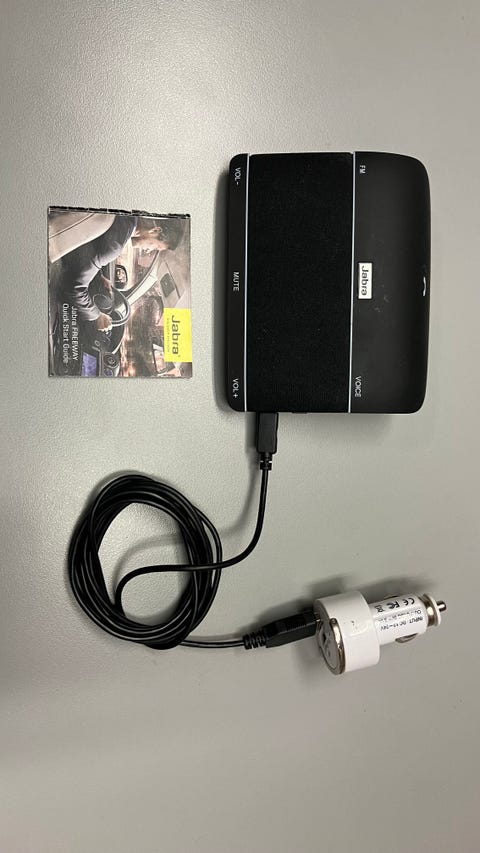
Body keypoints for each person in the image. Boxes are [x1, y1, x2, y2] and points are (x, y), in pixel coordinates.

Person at [54, 215, 185, 330]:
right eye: (156, 246)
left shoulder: (122, 219)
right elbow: (74, 287)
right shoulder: (115, 245)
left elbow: (83, 251)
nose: (148, 250)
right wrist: (96, 316)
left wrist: (99, 276)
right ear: (155, 230)